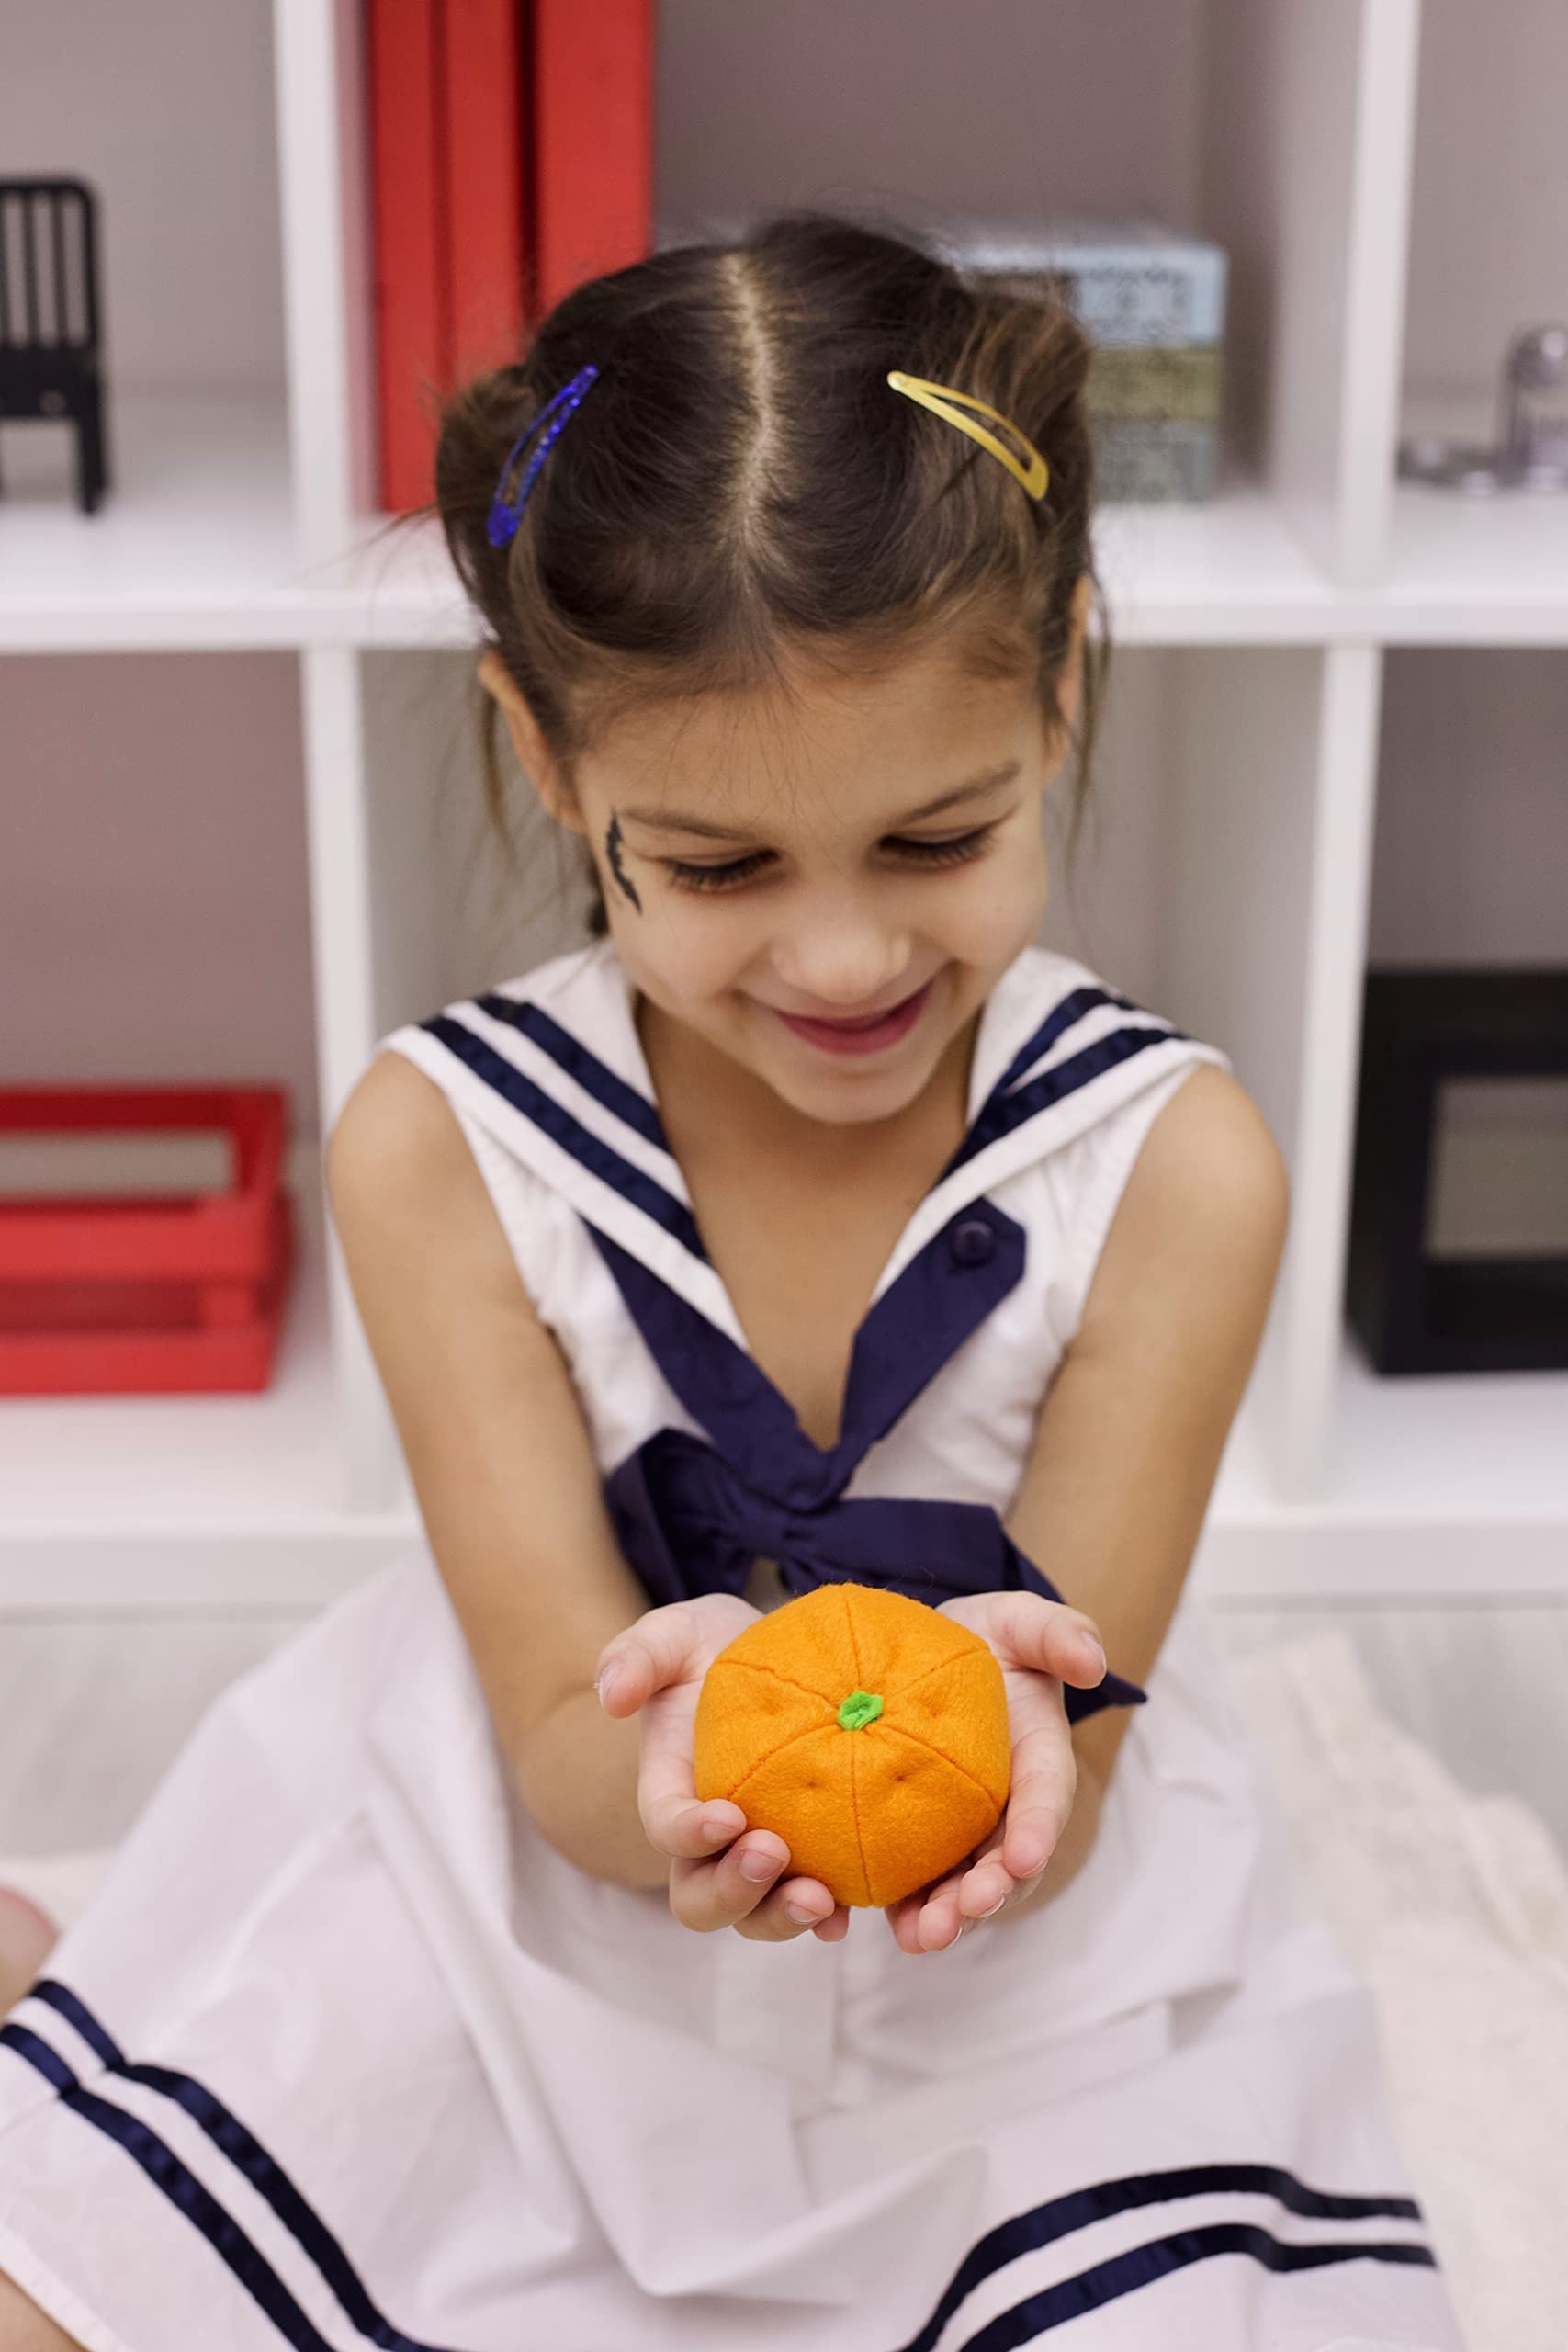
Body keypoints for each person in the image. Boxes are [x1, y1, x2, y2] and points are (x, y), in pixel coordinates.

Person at [0, 212, 1463, 2351]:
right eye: (716, 868)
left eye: (934, 838)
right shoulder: (443, 1152)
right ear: (545, 757)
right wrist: (673, 1797)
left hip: (1012, 1955)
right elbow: (541, 1720)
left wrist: (1002, 1802)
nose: (846, 957)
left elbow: (1073, 1741)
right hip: (540, 1874)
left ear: (1055, 692)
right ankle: (94, 1987)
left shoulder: (1175, 1167)